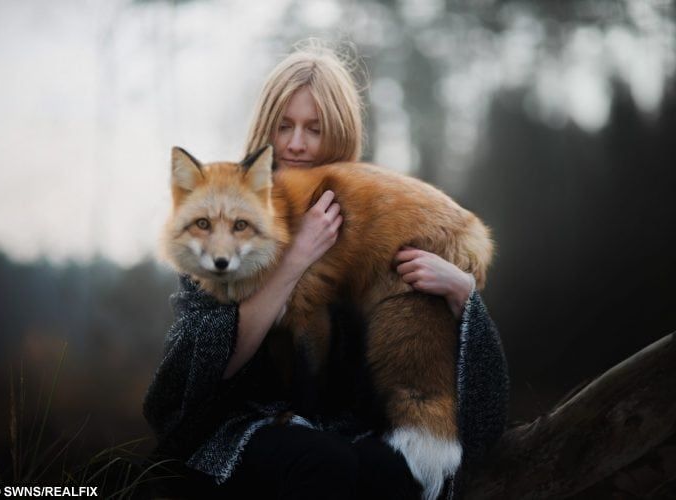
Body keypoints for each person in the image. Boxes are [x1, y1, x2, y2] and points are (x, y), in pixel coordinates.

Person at [143, 40, 509, 500]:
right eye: (285, 126)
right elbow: (198, 370)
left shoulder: (373, 215)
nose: (296, 144)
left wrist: (461, 294)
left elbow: (484, 408)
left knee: (387, 470)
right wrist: (295, 260)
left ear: (338, 133)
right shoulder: (222, 210)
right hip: (246, 429)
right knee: (321, 461)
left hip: (345, 430)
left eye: (314, 129)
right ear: (265, 129)